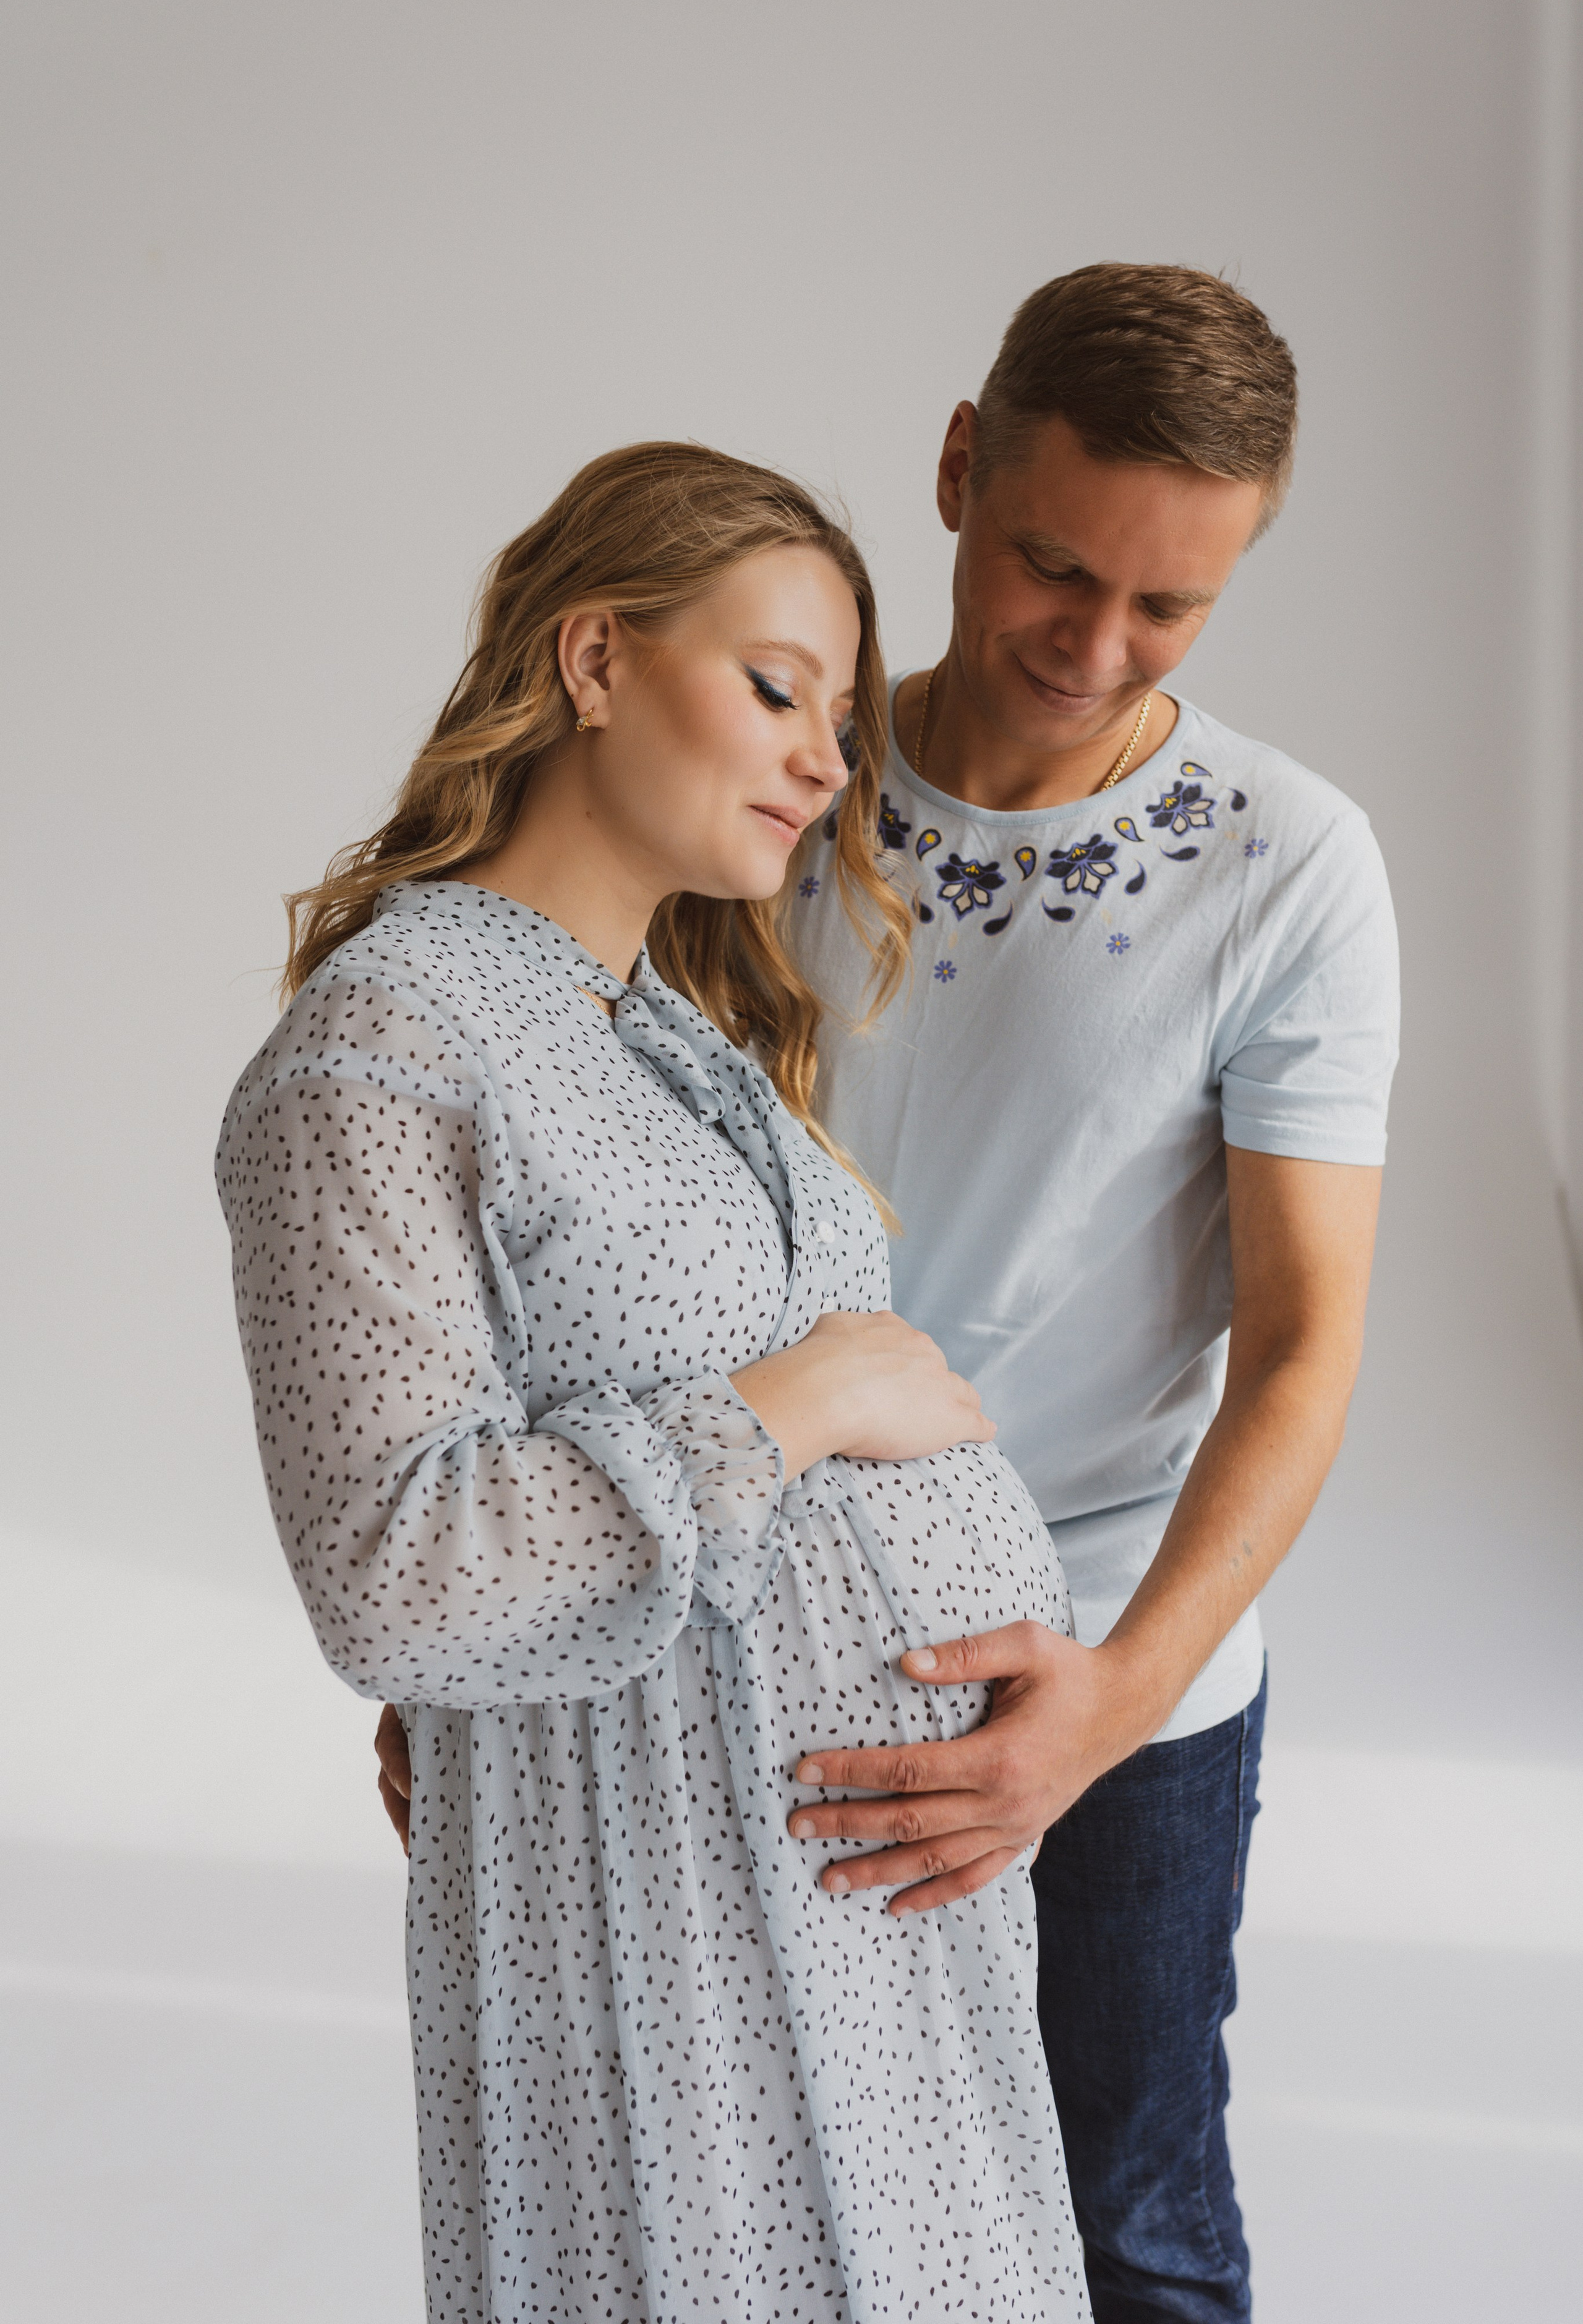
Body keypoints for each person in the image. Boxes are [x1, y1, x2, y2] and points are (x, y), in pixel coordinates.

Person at [217, 442, 1093, 2324]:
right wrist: (803, 1398)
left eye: (841, 718)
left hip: (861, 1944)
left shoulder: (667, 1031)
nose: (824, 761)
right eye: (777, 689)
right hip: (671, 1958)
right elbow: (396, 1574)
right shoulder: (384, 1046)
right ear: (595, 659)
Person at [776, 265, 1399, 2322]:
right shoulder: (770, 782)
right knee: (776, 2214)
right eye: (1055, 568)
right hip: (754, 1637)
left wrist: (1113, 1706)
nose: (1095, 644)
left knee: (1125, 2229)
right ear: (962, 468)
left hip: (1109, 1673)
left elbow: (1305, 1352)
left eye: (1171, 607)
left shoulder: (1290, 863)